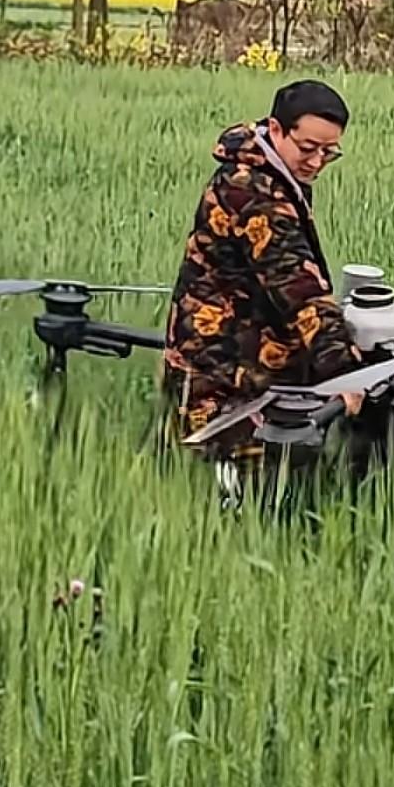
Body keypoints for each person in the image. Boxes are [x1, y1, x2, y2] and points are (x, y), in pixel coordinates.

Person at [161, 81, 365, 493]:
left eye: (329, 152)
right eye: (308, 147)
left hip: (250, 353)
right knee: (229, 495)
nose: (317, 161)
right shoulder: (251, 190)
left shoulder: (275, 172)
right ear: (275, 129)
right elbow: (296, 285)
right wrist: (343, 370)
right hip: (220, 371)